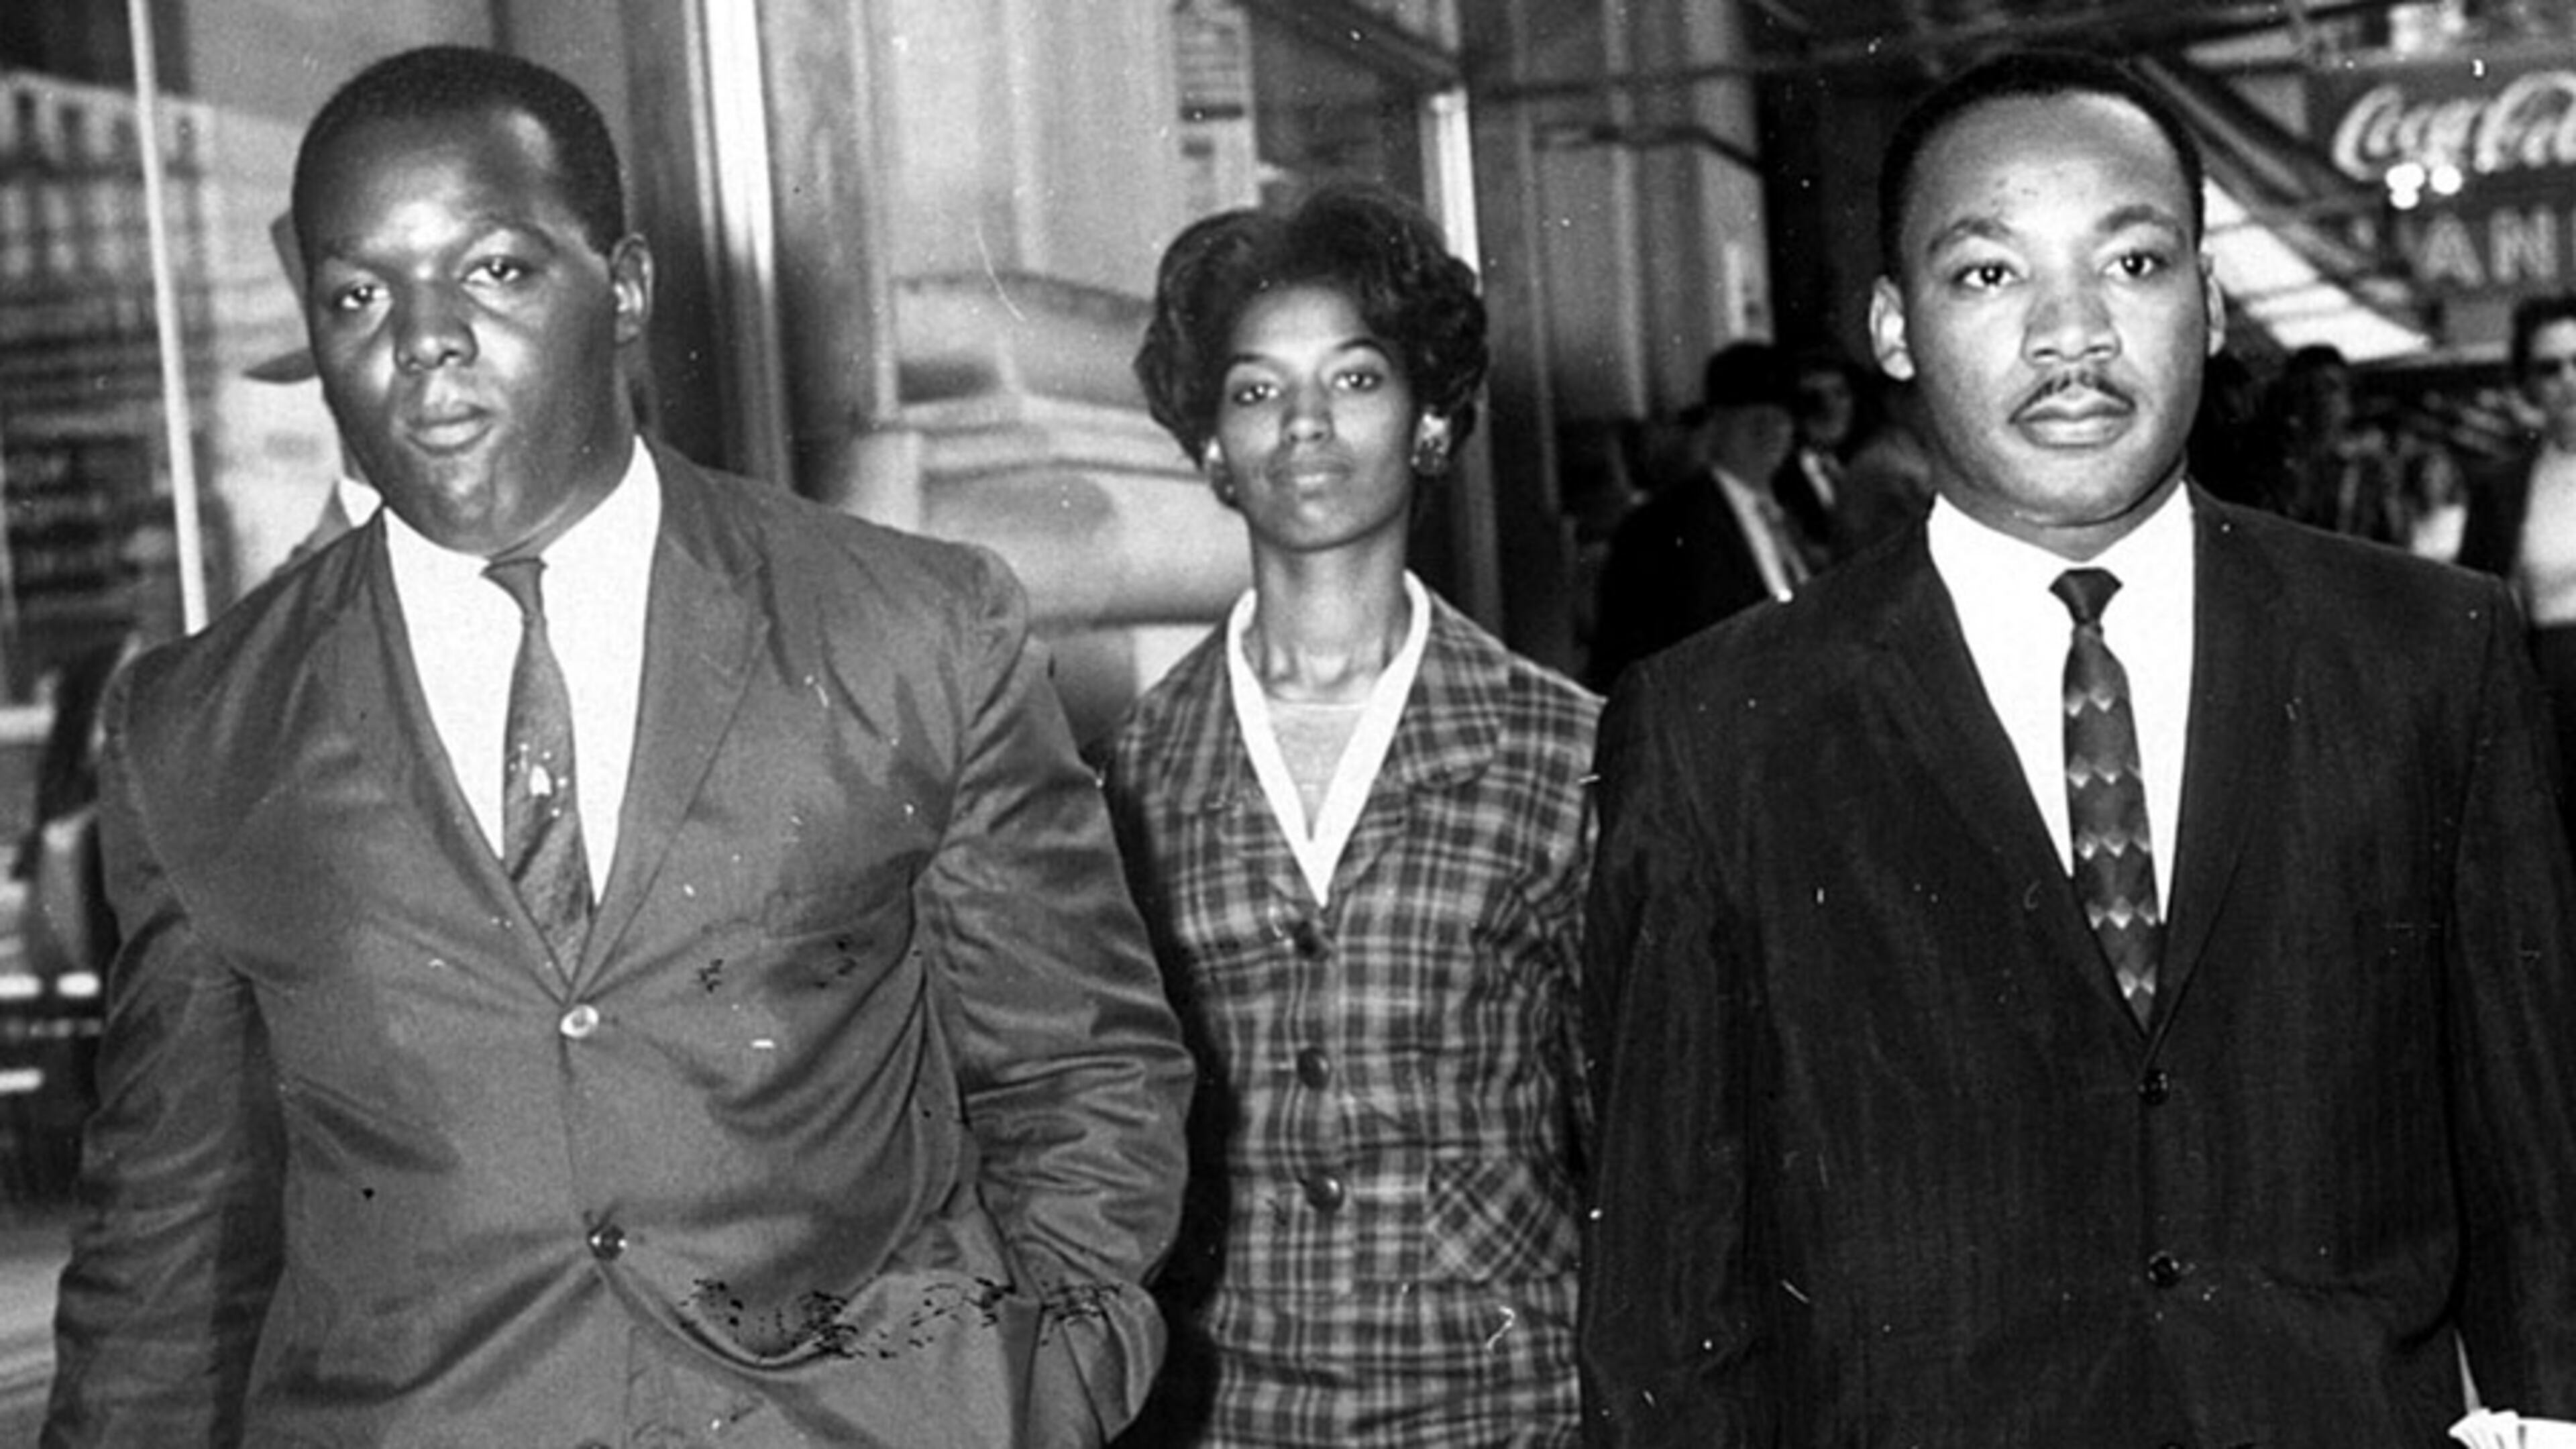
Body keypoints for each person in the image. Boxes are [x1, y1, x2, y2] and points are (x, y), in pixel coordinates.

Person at [44, 45, 1192, 1448]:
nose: (426, 340)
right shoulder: (197, 727)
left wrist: (1037, 1393)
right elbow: (169, 1244)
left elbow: (1082, 1076)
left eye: (495, 270)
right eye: (359, 295)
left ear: (628, 288)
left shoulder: (912, 629)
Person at [1579, 48, 2576, 1447]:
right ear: (1893, 325)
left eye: (2133, 264)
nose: (2072, 336)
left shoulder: (2427, 655)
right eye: (1990, 274)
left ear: (2212, 302)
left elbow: (2546, 1162)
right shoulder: (1719, 731)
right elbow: (1669, 1289)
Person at [1102, 182, 1597, 1447]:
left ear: (1431, 422)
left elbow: (1639, 1146)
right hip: (1225, 1408)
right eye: (1258, 391)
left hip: (1508, 1406)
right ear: (1213, 447)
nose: (1307, 425)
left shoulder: (1568, 752)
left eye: (1357, 381)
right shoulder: (1127, 777)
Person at [1587, 341, 1808, 690]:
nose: (1769, 431)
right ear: (1715, 422)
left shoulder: (1787, 521)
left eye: (1780, 418)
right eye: (1752, 418)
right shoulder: (1661, 527)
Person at [2457, 292, 2576, 846]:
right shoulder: (2503, 489)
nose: (2569, 381)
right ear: (2529, 383)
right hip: (2555, 708)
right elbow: (2474, 619)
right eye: (2550, 368)